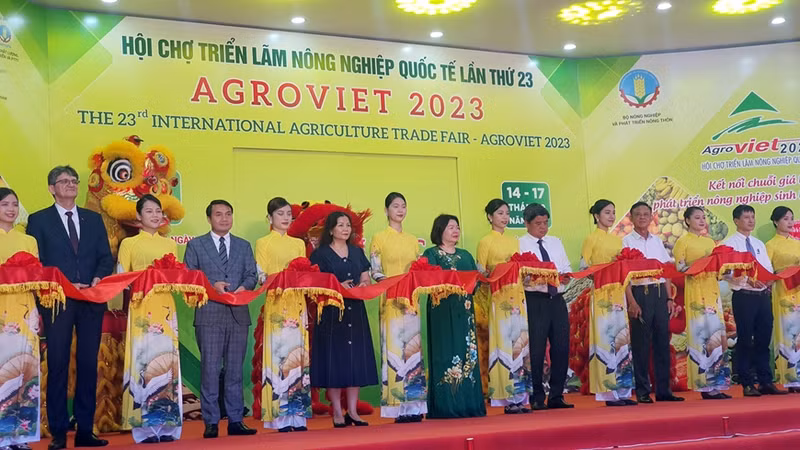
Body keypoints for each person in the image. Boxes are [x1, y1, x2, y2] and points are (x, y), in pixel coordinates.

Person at [27, 166, 113, 449]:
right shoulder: (39, 221)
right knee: (59, 365)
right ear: (51, 188)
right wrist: (42, 300)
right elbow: (35, 264)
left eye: (73, 181)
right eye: (63, 181)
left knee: (89, 365)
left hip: (91, 300)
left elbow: (105, 257)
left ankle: (86, 431)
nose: (70, 185)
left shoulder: (93, 218)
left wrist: (99, 278)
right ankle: (59, 434)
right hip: (57, 302)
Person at [184, 200, 258, 438]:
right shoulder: (195, 246)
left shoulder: (244, 246)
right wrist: (211, 286)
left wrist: (243, 287)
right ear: (209, 219)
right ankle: (211, 421)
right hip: (209, 314)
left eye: (228, 214)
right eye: (218, 214)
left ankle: (236, 420)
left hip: (238, 315)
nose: (224, 218)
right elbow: (189, 278)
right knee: (210, 370)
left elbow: (251, 274)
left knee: (236, 371)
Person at [117, 195, 183, 443]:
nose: (155, 215)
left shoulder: (170, 245)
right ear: (138, 216)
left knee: (166, 364)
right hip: (141, 306)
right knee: (143, 363)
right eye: (149, 211)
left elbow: (177, 277)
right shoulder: (129, 244)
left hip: (166, 308)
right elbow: (122, 278)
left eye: (158, 211)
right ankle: (143, 429)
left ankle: (167, 426)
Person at [310, 212, 377, 428]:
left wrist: (363, 284)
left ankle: (354, 412)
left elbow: (365, 276)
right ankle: (337, 412)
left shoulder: (357, 252)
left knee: (354, 361)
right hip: (332, 313)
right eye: (340, 225)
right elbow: (315, 284)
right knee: (334, 363)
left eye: (348, 225)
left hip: (355, 310)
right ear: (331, 230)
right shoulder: (320, 254)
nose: (345, 229)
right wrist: (338, 287)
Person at [369, 193, 425, 423]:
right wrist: (393, 282)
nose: (400, 210)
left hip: (412, 301)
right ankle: (396, 406)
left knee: (413, 352)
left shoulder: (413, 240)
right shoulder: (379, 238)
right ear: (386, 211)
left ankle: (413, 406)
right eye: (395, 206)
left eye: (403, 206)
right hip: (392, 299)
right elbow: (375, 271)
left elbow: (421, 269)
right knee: (394, 350)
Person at [254, 197, 309, 432]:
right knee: (279, 358)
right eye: (280, 214)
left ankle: (298, 415)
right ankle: (279, 416)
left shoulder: (298, 244)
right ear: (270, 218)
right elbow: (262, 275)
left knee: (298, 358)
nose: (286, 218)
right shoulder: (263, 243)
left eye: (288, 214)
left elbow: (306, 273)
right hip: (277, 304)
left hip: (298, 304)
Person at [423, 214, 486, 418]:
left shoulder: (466, 255)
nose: (455, 230)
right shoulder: (431, 254)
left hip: (464, 310)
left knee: (468, 353)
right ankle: (445, 406)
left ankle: (469, 404)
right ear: (439, 230)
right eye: (451, 227)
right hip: (441, 309)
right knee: (444, 353)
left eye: (457, 227)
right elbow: (428, 280)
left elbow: (475, 281)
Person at [723, 204, 787, 397]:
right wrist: (747, 279)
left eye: (752, 216)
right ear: (736, 221)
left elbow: (767, 267)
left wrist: (768, 281)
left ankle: (766, 381)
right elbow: (725, 272)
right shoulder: (729, 244)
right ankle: (747, 383)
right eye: (746, 217)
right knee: (744, 340)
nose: (750, 220)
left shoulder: (759, 244)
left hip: (763, 296)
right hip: (744, 296)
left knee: (763, 339)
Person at [622, 201, 683, 403]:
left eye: (646, 214)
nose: (642, 217)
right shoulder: (626, 242)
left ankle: (664, 390)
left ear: (651, 218)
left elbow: (665, 272)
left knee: (661, 344)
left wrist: (669, 298)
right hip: (639, 293)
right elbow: (624, 277)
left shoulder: (657, 241)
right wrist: (631, 302)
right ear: (631, 218)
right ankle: (642, 390)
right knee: (641, 345)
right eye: (637, 214)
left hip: (659, 295)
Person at [476, 199, 531, 414]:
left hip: (517, 295)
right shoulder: (485, 242)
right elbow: (481, 273)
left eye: (507, 213)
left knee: (519, 344)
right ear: (490, 217)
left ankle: (519, 396)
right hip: (498, 298)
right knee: (503, 345)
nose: (505, 217)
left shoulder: (514, 240)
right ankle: (505, 396)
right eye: (500, 213)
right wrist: (497, 274)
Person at [581, 199, 636, 407]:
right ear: (596, 216)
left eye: (613, 212)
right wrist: (603, 273)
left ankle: (622, 390)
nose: (611, 216)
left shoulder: (617, 240)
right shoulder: (591, 239)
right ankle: (607, 392)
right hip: (603, 293)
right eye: (607, 212)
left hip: (618, 294)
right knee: (605, 339)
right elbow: (584, 266)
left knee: (621, 339)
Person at [518, 204, 573, 410]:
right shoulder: (520, 244)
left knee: (561, 347)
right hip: (535, 300)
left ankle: (557, 395)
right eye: (538, 223)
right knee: (536, 349)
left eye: (546, 223)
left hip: (557, 299)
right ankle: (537, 396)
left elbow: (566, 268)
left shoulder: (556, 242)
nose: (543, 227)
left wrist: (565, 277)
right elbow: (519, 276)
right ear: (526, 223)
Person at [673, 207, 731, 400]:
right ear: (687, 221)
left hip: (712, 292)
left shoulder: (709, 242)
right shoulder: (682, 242)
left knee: (717, 336)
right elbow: (681, 268)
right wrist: (704, 263)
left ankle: (717, 384)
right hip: (696, 293)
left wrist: (726, 270)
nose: (701, 220)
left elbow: (718, 268)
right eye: (697, 217)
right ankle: (704, 386)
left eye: (703, 217)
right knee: (702, 336)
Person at [0, 188, 42, 450]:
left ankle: (21, 435)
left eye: (15, 204)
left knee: (24, 371)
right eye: (5, 204)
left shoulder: (28, 240)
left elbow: (37, 277)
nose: (11, 209)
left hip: (25, 309)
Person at [766, 206, 800, 394]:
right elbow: (767, 271)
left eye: (791, 218)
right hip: (784, 290)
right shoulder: (770, 245)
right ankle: (790, 378)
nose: (790, 222)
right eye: (786, 219)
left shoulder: (797, 243)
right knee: (788, 331)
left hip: (799, 289)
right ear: (776, 222)